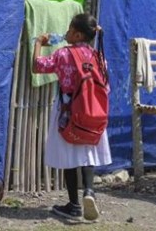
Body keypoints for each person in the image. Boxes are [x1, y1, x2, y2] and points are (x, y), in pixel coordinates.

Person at [33, 13, 111, 222]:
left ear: (77, 35)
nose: (66, 33)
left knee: (69, 158)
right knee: (88, 153)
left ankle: (74, 206)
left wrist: (39, 43)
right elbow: (106, 86)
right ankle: (89, 191)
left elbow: (37, 66)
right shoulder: (98, 56)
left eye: (69, 30)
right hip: (93, 113)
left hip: (68, 112)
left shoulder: (63, 54)